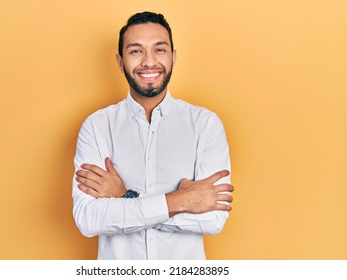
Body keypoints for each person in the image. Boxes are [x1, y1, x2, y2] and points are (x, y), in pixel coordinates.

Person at [72, 11, 234, 260]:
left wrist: (124, 198)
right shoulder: (97, 126)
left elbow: (214, 219)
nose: (149, 62)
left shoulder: (205, 125)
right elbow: (88, 219)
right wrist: (182, 201)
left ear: (173, 57)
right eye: (136, 51)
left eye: (159, 50)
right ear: (120, 60)